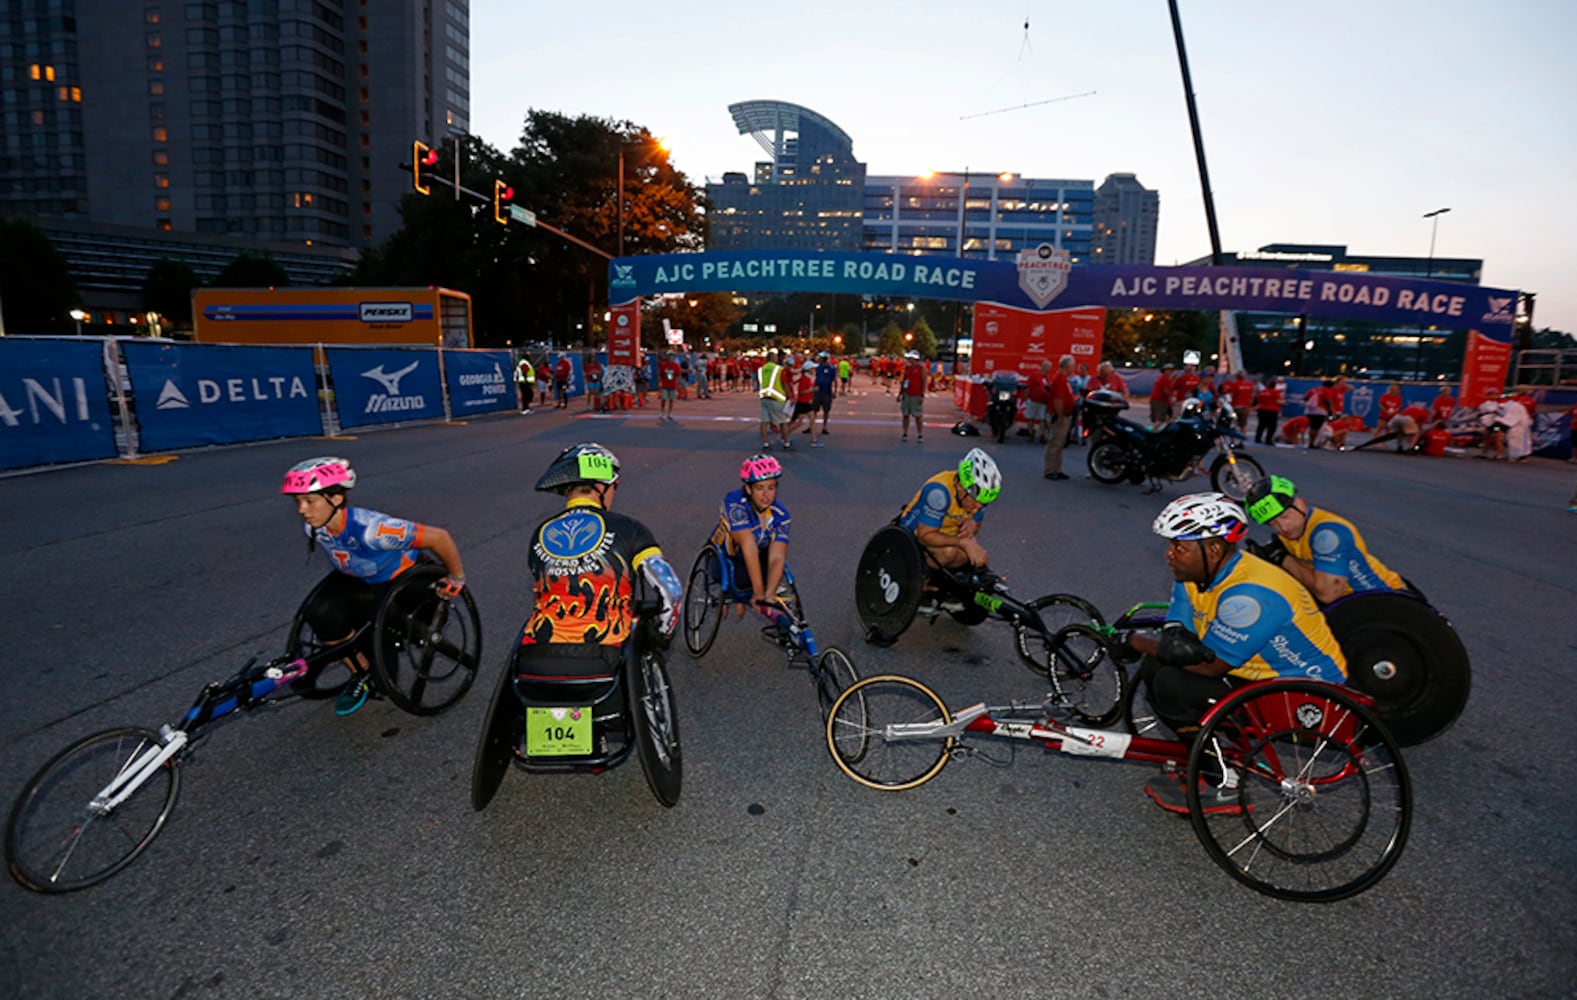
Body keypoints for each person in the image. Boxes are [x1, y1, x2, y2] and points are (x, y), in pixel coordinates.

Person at [1124, 493, 1347, 813]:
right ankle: (1206, 757)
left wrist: (1137, 641)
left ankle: (1224, 782)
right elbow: (1179, 630)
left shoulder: (1252, 595)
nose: (1169, 555)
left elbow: (1210, 665)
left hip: (1302, 694)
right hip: (1254, 676)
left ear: (1213, 549)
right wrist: (1163, 644)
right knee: (1157, 667)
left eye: (1179, 547)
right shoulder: (1195, 575)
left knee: (1175, 683)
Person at [282, 457, 467, 716]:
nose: (302, 510)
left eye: (309, 501)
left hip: (406, 585)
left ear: (336, 499)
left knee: (377, 634)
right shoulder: (316, 527)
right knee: (319, 611)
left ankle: (371, 667)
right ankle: (361, 672)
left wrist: (456, 578)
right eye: (298, 502)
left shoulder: (373, 530)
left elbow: (439, 537)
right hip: (364, 581)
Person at [521, 444, 681, 657]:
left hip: (537, 656)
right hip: (604, 655)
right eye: (616, 485)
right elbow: (672, 591)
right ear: (602, 486)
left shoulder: (540, 533)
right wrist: (663, 635)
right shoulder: (630, 529)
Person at [1243, 475, 1408, 604]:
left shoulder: (1328, 533)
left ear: (1300, 504)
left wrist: (1282, 558)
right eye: (1272, 523)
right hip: (1354, 604)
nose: (1283, 528)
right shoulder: (1289, 532)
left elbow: (1329, 594)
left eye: (1285, 517)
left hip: (1389, 601)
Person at [710, 454, 793, 621]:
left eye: (771, 488)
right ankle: (738, 593)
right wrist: (758, 592)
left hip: (756, 555)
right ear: (748, 489)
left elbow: (777, 557)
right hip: (726, 557)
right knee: (743, 582)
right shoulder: (735, 502)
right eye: (760, 488)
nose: (766, 495)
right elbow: (748, 545)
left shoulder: (781, 514)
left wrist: (768, 595)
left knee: (774, 573)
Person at [897, 448, 1001, 571]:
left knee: (978, 557)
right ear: (960, 486)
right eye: (976, 501)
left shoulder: (977, 496)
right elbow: (925, 535)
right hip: (914, 536)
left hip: (945, 534)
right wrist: (963, 543)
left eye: (984, 503)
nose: (979, 506)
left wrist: (972, 524)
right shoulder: (938, 493)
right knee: (949, 553)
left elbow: (976, 524)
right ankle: (921, 579)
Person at [1042, 354, 1076, 480]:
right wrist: (1060, 415)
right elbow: (1058, 399)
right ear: (1067, 366)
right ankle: (1050, 470)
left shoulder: (1063, 379)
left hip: (1065, 414)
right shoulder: (1060, 380)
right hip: (1060, 416)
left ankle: (1057, 469)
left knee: (1060, 444)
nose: (1074, 369)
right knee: (1055, 443)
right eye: (1073, 366)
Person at [757, 349, 790, 450]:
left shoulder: (761, 369)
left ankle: (765, 443)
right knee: (783, 422)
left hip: (764, 397)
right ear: (773, 358)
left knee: (764, 421)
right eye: (776, 357)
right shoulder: (779, 369)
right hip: (776, 397)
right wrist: (789, 396)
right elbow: (784, 383)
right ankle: (786, 443)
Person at [784, 360, 818, 444]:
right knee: (810, 420)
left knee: (800, 422)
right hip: (804, 402)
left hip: (803, 402)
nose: (814, 369)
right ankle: (813, 440)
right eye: (812, 368)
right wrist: (812, 389)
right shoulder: (805, 378)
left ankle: (785, 435)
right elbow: (801, 391)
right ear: (808, 369)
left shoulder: (806, 377)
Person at [899, 350, 927, 442]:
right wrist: (900, 393)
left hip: (916, 394)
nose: (909, 360)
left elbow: (924, 382)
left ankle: (920, 434)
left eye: (910, 358)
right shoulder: (906, 369)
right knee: (905, 414)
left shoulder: (921, 369)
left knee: (918, 415)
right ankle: (905, 432)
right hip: (907, 394)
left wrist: (922, 395)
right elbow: (903, 382)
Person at [1023, 360, 1051, 443]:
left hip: (1043, 402)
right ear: (1043, 367)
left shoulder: (1048, 378)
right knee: (1030, 418)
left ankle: (1042, 435)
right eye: (1047, 367)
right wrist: (1027, 398)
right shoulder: (1034, 376)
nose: (1049, 369)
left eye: (1049, 368)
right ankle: (1031, 433)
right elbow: (1028, 387)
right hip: (1033, 400)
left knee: (1042, 419)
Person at [811, 350, 837, 439]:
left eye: (820, 358)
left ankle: (824, 427)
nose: (819, 359)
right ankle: (812, 426)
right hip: (818, 391)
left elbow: (834, 380)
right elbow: (816, 378)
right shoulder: (818, 367)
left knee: (826, 410)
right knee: (814, 410)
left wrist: (834, 391)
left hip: (827, 392)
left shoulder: (831, 368)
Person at [1252, 374, 1282, 445]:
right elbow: (1278, 401)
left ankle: (1257, 438)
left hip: (1262, 409)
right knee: (1272, 426)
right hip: (1272, 410)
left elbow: (1257, 399)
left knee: (1261, 425)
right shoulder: (1275, 392)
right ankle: (1268, 439)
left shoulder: (1262, 392)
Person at [1302, 380, 1330, 450]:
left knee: (1312, 426)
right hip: (1320, 411)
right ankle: (1312, 443)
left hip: (1310, 411)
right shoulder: (1327, 391)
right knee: (1316, 427)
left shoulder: (1313, 389)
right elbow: (1327, 400)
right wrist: (1331, 410)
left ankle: (1310, 442)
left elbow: (1305, 398)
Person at [656, 351, 681, 421]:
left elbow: (678, 375)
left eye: (672, 356)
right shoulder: (664, 365)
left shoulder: (676, 365)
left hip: (672, 385)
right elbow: (660, 374)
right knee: (663, 399)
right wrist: (659, 383)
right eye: (669, 356)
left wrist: (678, 384)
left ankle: (670, 413)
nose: (670, 357)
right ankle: (661, 412)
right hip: (665, 385)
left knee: (671, 400)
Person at [1150, 363, 1175, 428]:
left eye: (1171, 370)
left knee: (1160, 418)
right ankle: (1154, 432)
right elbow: (1166, 390)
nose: (1170, 372)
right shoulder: (1165, 378)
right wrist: (1171, 398)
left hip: (1155, 399)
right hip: (1160, 400)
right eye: (1169, 370)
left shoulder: (1160, 377)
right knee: (1160, 419)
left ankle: (1157, 430)